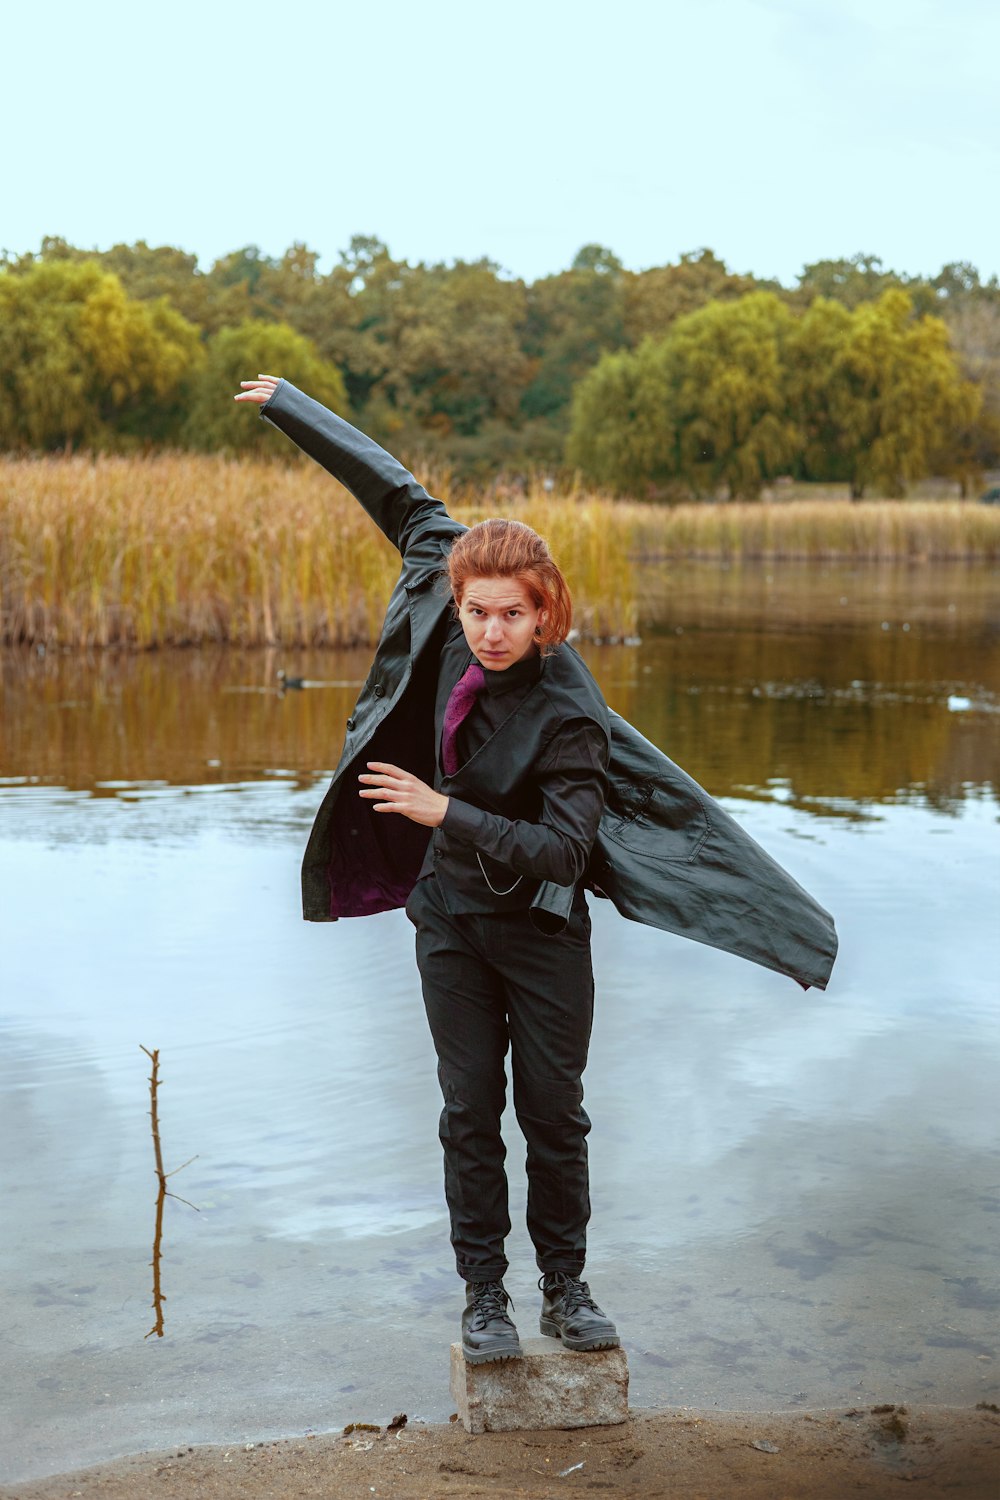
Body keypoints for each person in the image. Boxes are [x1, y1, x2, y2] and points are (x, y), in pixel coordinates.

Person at [235, 375, 838, 1365]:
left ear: (544, 608)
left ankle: (565, 1289)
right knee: (467, 1110)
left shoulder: (568, 709)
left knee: (552, 1118)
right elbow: (392, 489)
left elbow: (563, 851)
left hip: (545, 931)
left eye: (511, 615)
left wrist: (442, 810)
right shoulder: (441, 579)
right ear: (456, 596)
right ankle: (484, 1299)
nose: (489, 631)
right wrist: (288, 404)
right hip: (450, 924)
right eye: (477, 612)